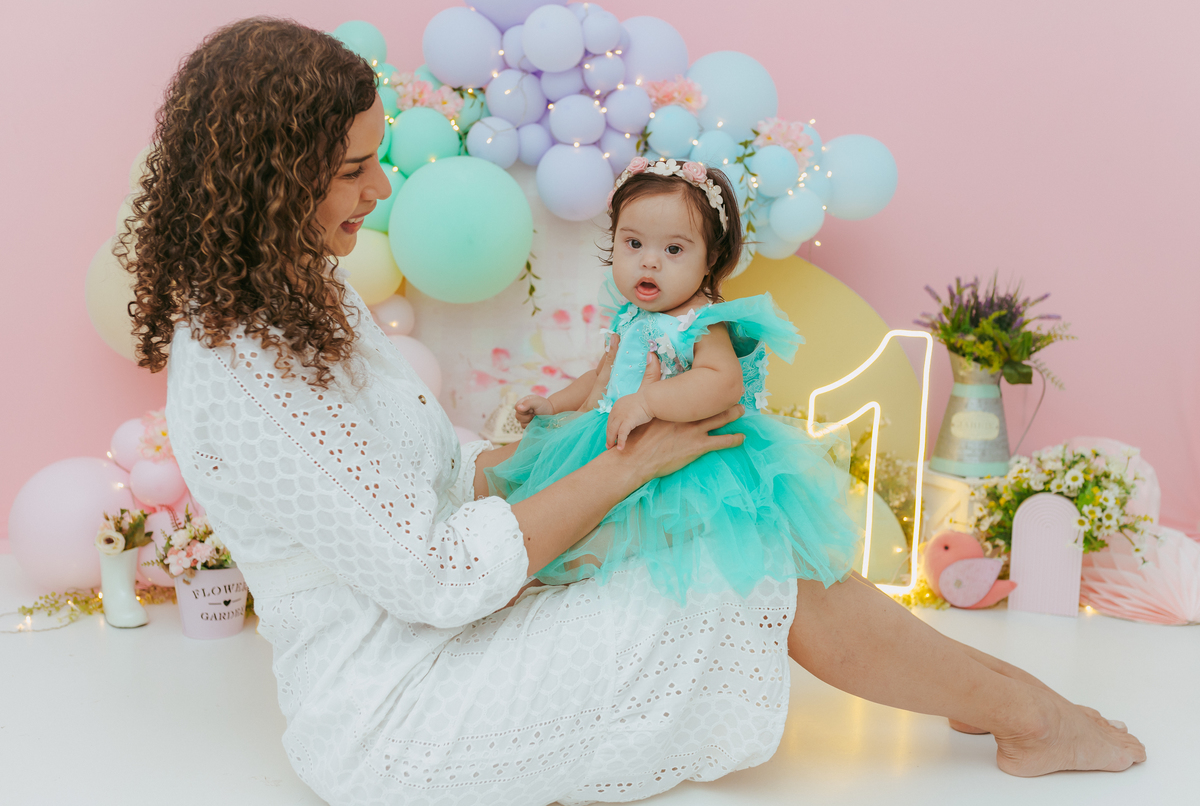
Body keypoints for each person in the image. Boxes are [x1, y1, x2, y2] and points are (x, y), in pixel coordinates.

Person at [121, 17, 1144, 806]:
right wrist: (629, 465)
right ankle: (1027, 714)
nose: (380, 188)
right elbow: (435, 574)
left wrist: (561, 446)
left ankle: (1012, 704)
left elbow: (435, 472)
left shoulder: (302, 294)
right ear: (270, 178)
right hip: (400, 711)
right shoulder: (242, 374)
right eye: (353, 170)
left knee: (741, 517)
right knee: (752, 564)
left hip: (446, 629)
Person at [493, 156, 861, 601]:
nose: (649, 262)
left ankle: (594, 578)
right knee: (560, 520)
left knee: (613, 539)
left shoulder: (700, 322)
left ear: (711, 259)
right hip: (611, 442)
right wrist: (555, 404)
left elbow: (722, 382)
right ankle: (547, 576)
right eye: (633, 244)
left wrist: (649, 402)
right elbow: (603, 376)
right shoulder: (629, 315)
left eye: (673, 250)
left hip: (683, 460)